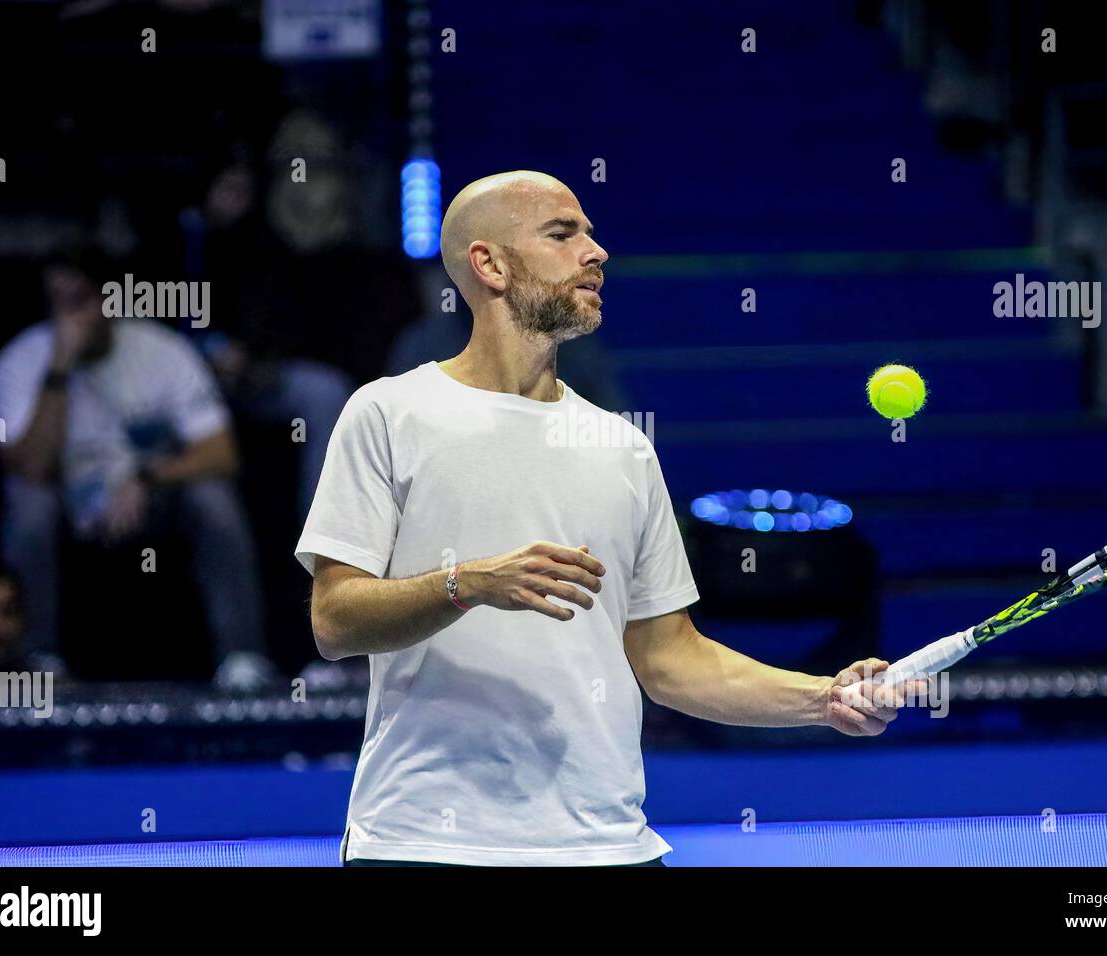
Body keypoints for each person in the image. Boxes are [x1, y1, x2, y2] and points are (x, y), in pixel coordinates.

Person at [297, 171, 922, 867]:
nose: (597, 252)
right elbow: (334, 621)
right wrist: (467, 582)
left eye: (590, 234)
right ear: (490, 264)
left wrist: (822, 698)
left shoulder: (621, 446)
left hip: (605, 849)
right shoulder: (387, 414)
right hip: (423, 843)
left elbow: (670, 659)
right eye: (563, 234)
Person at [0, 245, 276, 690]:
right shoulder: (19, 361)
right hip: (68, 499)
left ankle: (242, 658)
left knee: (212, 497)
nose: (70, 316)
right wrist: (60, 369)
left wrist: (145, 477)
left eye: (79, 299)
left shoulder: (162, 351)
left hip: (148, 499)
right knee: (29, 506)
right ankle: (38, 662)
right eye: (58, 302)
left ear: (108, 299)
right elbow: (31, 469)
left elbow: (222, 452)